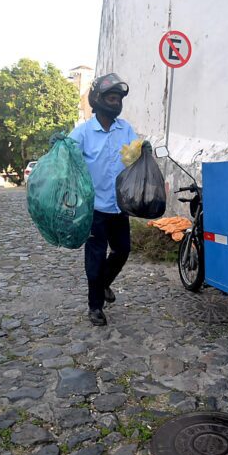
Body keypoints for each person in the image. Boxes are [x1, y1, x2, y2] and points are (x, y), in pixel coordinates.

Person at [69, 73, 137, 326]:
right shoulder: (84, 132)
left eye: (118, 99)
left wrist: (145, 150)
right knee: (95, 258)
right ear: (98, 100)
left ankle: (104, 283)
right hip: (94, 208)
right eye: (111, 97)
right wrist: (60, 146)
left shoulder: (125, 128)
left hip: (120, 206)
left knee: (123, 250)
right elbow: (68, 159)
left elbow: (135, 155)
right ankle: (94, 306)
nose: (116, 103)